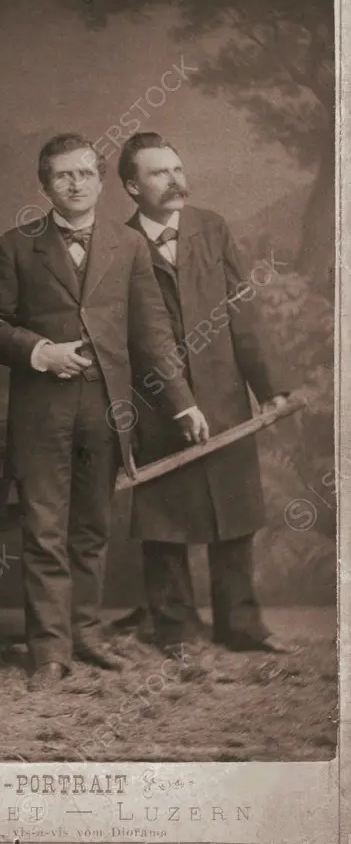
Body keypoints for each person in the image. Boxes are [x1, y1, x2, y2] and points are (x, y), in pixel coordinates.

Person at [0, 133, 208, 691]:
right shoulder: (16, 245)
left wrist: (184, 404)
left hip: (107, 410)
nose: (75, 184)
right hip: (41, 412)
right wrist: (40, 352)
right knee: (45, 529)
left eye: (85, 173)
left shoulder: (128, 247)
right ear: (45, 185)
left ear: (103, 182)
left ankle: (85, 635)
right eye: (63, 175)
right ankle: (49, 653)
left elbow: (152, 332)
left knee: (92, 529)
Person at [117, 131, 294, 655]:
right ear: (132, 186)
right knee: (164, 516)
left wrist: (270, 388)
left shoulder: (211, 228)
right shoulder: (118, 244)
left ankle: (241, 624)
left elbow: (242, 311)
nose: (174, 180)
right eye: (157, 172)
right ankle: (174, 629)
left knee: (233, 508)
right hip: (155, 400)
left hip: (221, 392)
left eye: (177, 168)